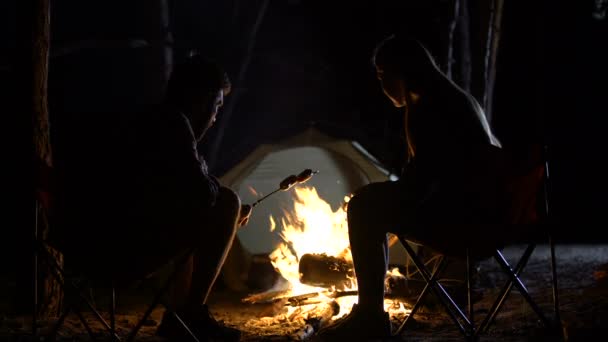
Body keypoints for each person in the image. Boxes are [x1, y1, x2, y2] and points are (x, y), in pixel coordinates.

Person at [317, 35, 506, 340]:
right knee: (373, 203)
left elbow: (421, 186)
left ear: (399, 71)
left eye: (382, 75)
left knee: (363, 207)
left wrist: (380, 203)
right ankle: (370, 313)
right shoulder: (457, 97)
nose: (381, 85)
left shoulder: (427, 106)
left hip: (466, 225)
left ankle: (370, 317)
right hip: (492, 219)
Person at [53, 54, 251, 341]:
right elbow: (203, 194)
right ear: (202, 99)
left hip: (84, 242)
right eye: (217, 106)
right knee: (226, 203)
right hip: (116, 251)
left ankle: (178, 319)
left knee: (197, 213)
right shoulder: (173, 125)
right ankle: (191, 314)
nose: (215, 116)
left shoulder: (145, 121)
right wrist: (224, 212)